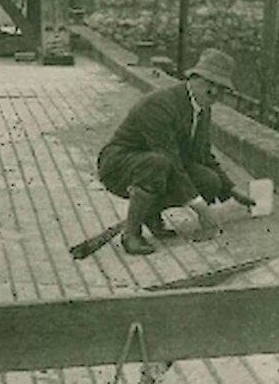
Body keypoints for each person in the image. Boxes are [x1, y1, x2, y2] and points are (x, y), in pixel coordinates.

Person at [96, 48, 254, 256]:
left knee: (209, 181)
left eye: (221, 88)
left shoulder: (202, 109)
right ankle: (131, 234)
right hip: (118, 166)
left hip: (155, 164)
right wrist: (201, 209)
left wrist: (232, 190)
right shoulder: (160, 104)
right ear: (193, 77)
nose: (214, 92)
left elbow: (204, 155)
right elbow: (169, 158)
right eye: (210, 84)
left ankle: (151, 214)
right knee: (158, 163)